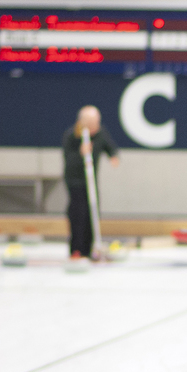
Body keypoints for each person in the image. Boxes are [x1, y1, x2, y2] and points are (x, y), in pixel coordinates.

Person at [61, 105, 119, 260]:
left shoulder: (100, 133)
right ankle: (77, 249)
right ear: (83, 122)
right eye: (92, 123)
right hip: (75, 181)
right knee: (78, 214)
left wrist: (113, 155)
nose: (95, 126)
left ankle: (90, 247)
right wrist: (81, 154)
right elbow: (68, 161)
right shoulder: (72, 136)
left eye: (97, 122)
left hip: (91, 181)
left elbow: (109, 146)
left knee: (92, 212)